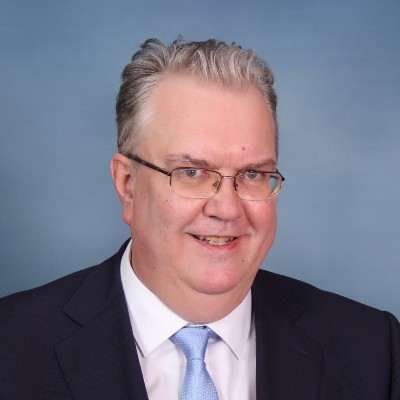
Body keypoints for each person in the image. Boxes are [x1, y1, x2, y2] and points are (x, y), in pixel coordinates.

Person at [0, 37, 399, 400]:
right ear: (127, 185)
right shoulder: (12, 348)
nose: (226, 208)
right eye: (191, 172)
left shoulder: (372, 350)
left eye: (253, 174)